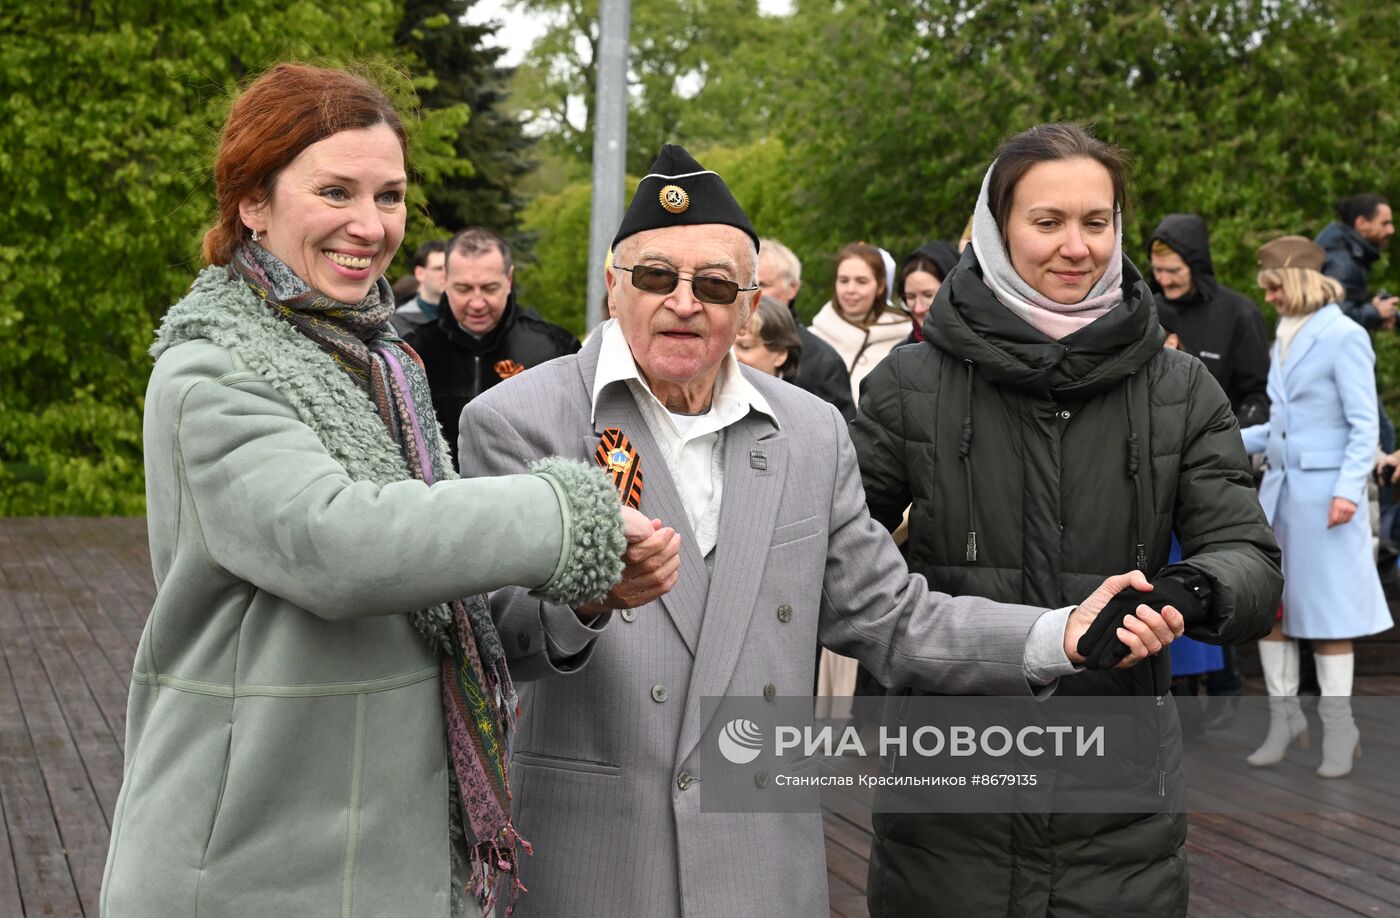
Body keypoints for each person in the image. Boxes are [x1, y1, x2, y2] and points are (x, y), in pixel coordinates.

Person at [456, 143, 1185, 918]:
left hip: (760, 857)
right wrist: (590, 601)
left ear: (748, 306)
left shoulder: (809, 430)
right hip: (592, 859)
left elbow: (889, 614)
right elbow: (492, 639)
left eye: (711, 284)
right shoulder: (518, 420)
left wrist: (1056, 634)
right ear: (613, 286)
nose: (682, 301)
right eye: (656, 277)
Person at [98, 63, 654, 918]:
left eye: (388, 196)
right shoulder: (208, 370)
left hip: (391, 861)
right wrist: (566, 512)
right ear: (253, 200)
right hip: (248, 867)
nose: (370, 225)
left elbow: (441, 608)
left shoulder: (381, 363)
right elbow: (343, 544)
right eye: (335, 191)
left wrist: (584, 601)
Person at [851, 123, 1282, 917]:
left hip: (1118, 813)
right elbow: (839, 564)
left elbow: (1248, 558)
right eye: (1047, 221)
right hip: (948, 813)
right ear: (995, 228)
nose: (1076, 246)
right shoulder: (909, 385)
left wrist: (1185, 593)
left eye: (1098, 221)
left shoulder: (1179, 387)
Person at [1240, 235, 1392, 778]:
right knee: (1271, 613)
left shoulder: (1344, 335)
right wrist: (1225, 440)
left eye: (1276, 286)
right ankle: (1285, 721)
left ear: (1299, 280)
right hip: (1279, 496)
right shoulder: (1285, 331)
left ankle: (1339, 729)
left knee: (1329, 619)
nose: (1271, 297)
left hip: (1329, 499)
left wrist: (1349, 491)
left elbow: (1363, 425)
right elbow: (1279, 425)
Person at [407, 227, 581, 469]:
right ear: (445, 280)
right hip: (442, 499)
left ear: (508, 280)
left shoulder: (555, 348)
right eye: (464, 289)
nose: (477, 303)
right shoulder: (414, 351)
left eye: (489, 288)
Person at [1148, 214, 1270, 427]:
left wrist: (1230, 439)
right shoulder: (1147, 310)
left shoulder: (1239, 314)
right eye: (1158, 270)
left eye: (1173, 271)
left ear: (1196, 266)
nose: (1164, 280)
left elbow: (1259, 396)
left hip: (1220, 446)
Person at [758, 237, 855, 419]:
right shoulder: (721, 343)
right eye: (748, 283)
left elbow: (840, 439)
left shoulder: (823, 362)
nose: (753, 292)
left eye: (763, 285)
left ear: (792, 288)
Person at [808, 241, 910, 406]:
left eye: (861, 281)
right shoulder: (811, 337)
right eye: (843, 280)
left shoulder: (906, 340)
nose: (850, 289)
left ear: (880, 287)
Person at [1315, 193, 1397, 331]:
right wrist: (1376, 313)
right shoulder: (1343, 260)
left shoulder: (1344, 251)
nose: (1391, 230)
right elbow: (1332, 317)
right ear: (1361, 223)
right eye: (1385, 223)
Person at [897, 240, 960, 344]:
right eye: (910, 297)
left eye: (928, 295)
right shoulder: (898, 355)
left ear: (954, 292)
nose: (918, 309)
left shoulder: (983, 348)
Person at [734, 295, 802, 380]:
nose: (732, 355)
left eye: (745, 347)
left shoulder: (795, 392)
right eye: (727, 345)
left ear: (780, 355)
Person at [391, 238, 447, 335]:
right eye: (438, 268)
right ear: (420, 273)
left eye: (449, 268)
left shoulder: (466, 317)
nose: (446, 274)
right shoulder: (398, 323)